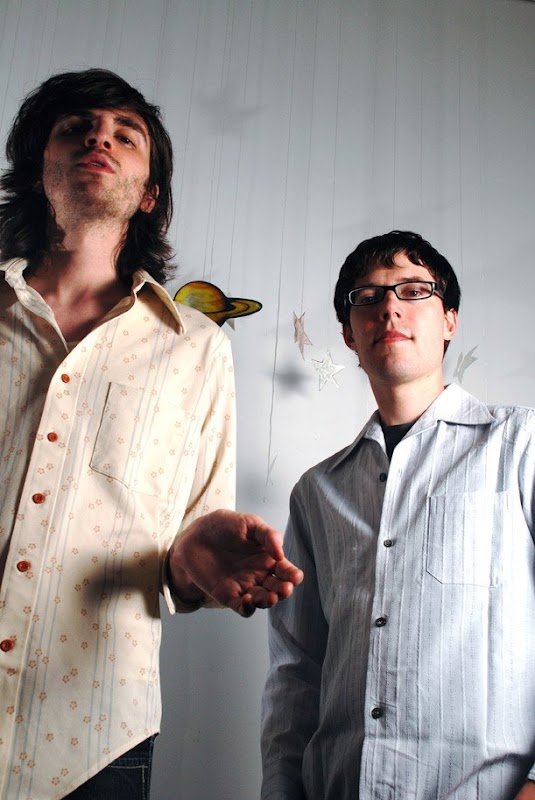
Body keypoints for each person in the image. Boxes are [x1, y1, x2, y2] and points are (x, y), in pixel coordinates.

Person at [0, 68, 302, 800]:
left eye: (124, 135)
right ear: (39, 168)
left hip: (92, 739)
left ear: (149, 194)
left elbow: (189, 549)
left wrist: (196, 558)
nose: (99, 139)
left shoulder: (196, 348)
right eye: (77, 128)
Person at [261, 230, 535, 799]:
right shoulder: (316, 492)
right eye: (369, 296)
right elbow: (296, 670)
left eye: (414, 290)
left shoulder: (521, 446)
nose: (389, 307)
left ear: (450, 320)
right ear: (349, 334)